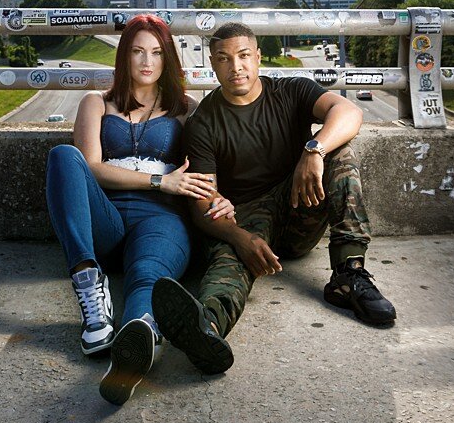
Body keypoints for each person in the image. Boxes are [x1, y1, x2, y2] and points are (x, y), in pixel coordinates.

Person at [151, 21, 395, 375]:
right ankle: (206, 328)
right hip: (245, 220)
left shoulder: (291, 91)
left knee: (341, 155)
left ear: (258, 57)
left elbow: (349, 112)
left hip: (299, 207)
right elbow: (203, 202)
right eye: (224, 58)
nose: (236, 67)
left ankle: (348, 274)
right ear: (212, 64)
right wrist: (241, 238)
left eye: (244, 56)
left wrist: (314, 149)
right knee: (228, 264)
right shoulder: (203, 122)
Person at [43, 15, 233, 406]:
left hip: (162, 219)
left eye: (157, 53)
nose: (147, 61)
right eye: (137, 51)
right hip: (106, 219)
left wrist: (221, 198)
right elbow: (91, 166)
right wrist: (158, 180)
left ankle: (138, 340)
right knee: (63, 156)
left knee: (148, 277)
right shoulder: (95, 103)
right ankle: (89, 288)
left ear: (168, 60)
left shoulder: (186, 109)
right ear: (123, 56)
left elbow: (206, 166)